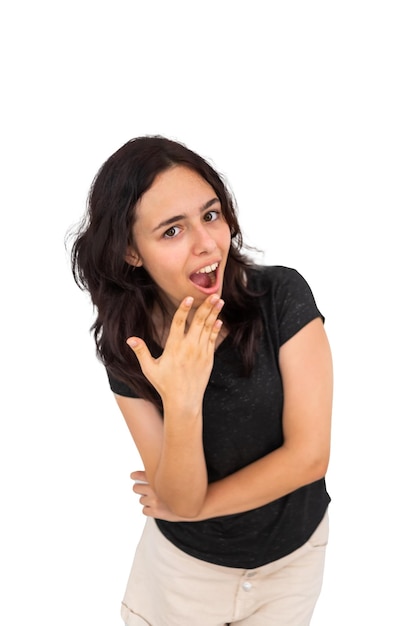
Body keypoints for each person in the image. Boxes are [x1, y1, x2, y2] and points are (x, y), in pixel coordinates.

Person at [70, 135, 333, 626]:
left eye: (210, 215)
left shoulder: (281, 296)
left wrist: (186, 506)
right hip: (183, 575)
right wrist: (183, 399)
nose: (207, 243)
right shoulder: (132, 348)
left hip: (290, 565)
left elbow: (310, 456)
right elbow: (180, 496)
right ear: (131, 251)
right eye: (172, 232)